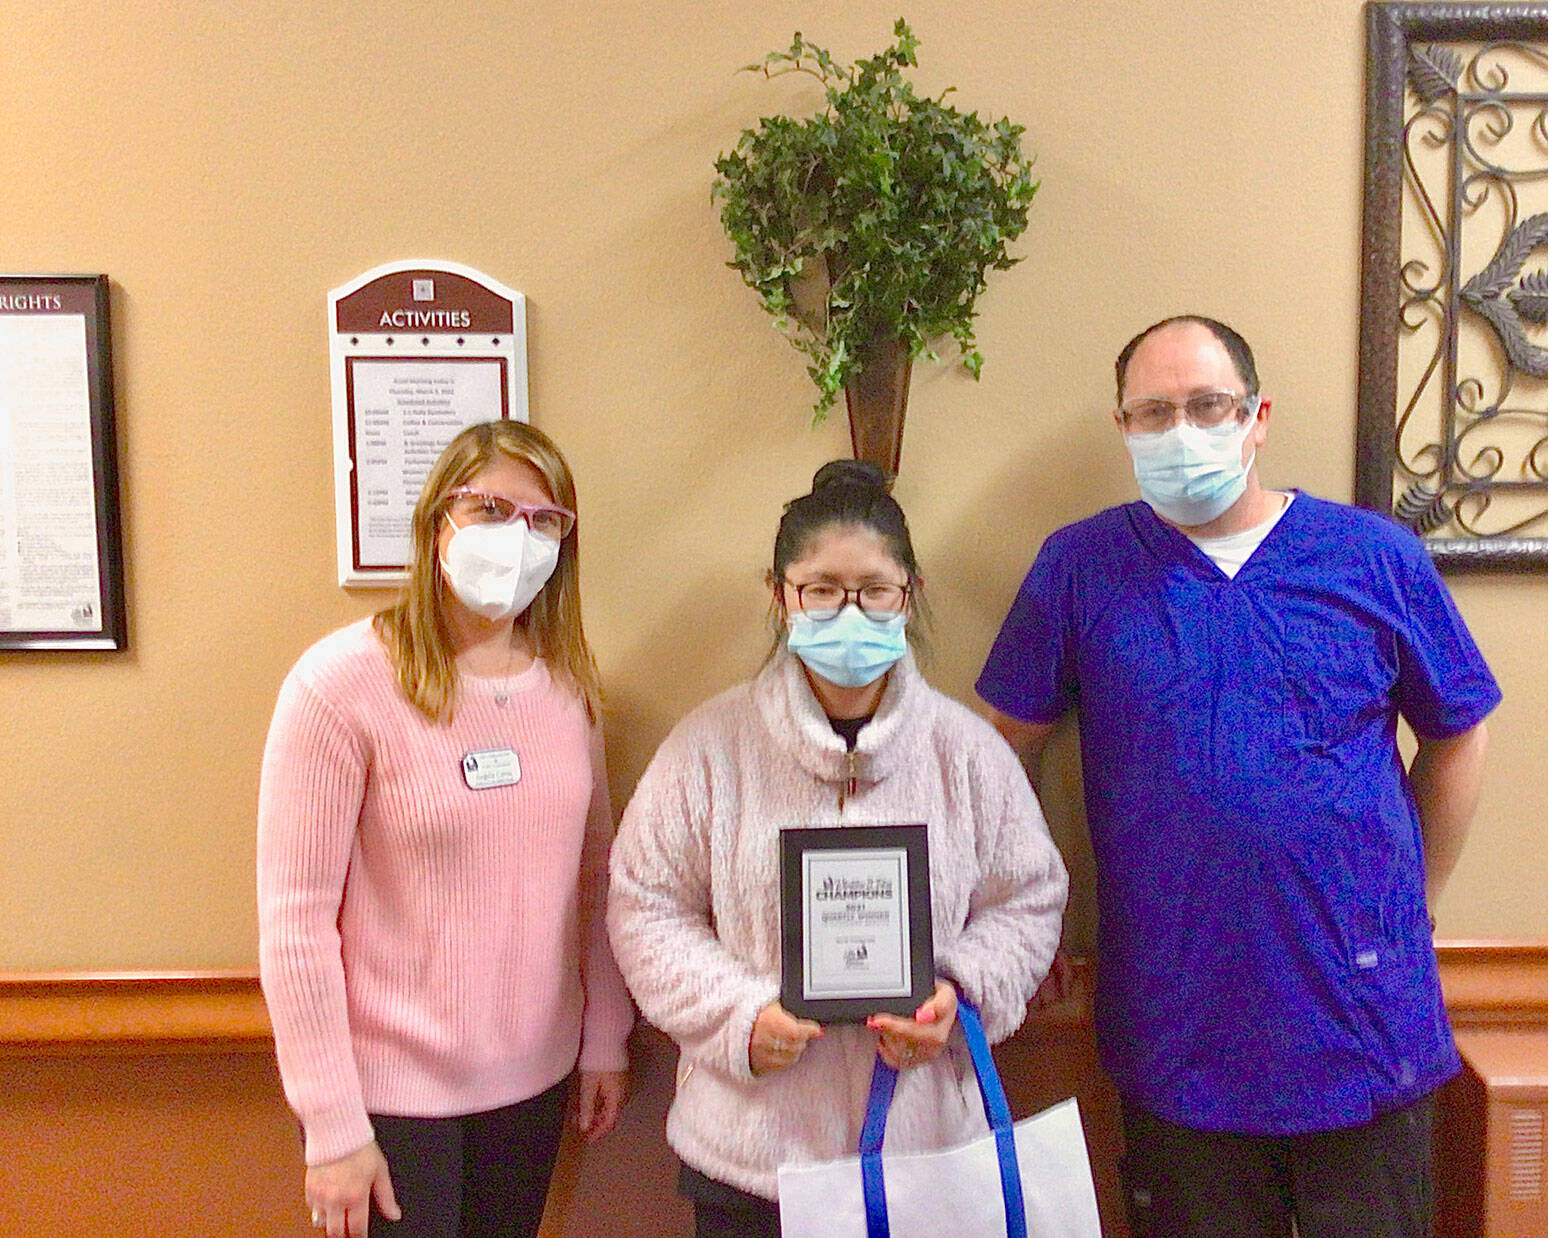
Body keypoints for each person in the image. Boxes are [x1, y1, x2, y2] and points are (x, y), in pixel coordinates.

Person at [976, 316, 1500, 1238]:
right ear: (1124, 429)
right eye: (1154, 411)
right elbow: (998, 744)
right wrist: (1024, 913)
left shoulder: (1374, 559)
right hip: (1180, 1027)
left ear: (1258, 417)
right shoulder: (1081, 568)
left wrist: (1417, 897)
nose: (1182, 430)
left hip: (1359, 1015)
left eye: (1207, 406)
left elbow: (1459, 729)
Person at [607, 460, 1068, 1238]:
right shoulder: (709, 749)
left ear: (909, 594)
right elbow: (644, 905)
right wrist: (739, 1017)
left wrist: (958, 994)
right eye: (820, 589)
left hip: (925, 1155)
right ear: (779, 595)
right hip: (750, 1162)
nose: (847, 610)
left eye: (873, 590)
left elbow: (1028, 899)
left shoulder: (965, 752)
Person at [258, 420, 634, 1238]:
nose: (517, 537)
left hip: (532, 1087)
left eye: (544, 522)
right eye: (491, 508)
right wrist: (330, 1123)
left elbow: (597, 878)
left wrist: (605, 1037)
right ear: (439, 522)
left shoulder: (569, 688)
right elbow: (295, 922)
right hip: (388, 1105)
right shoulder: (340, 685)